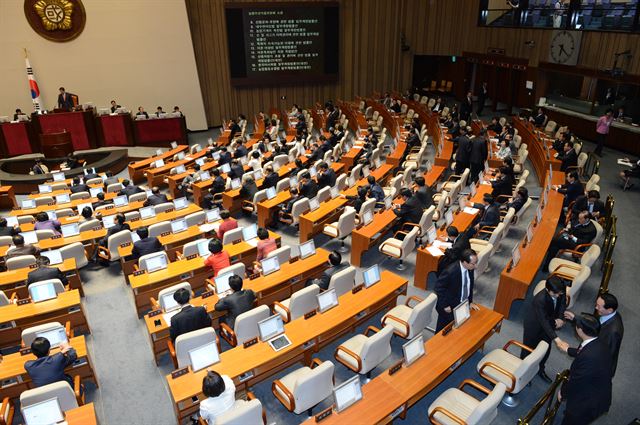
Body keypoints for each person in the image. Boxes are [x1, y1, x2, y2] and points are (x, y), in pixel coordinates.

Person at [557, 313, 612, 425]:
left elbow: (577, 380)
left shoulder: (589, 357)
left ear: (580, 330)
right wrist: (568, 349)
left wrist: (562, 392)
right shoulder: (599, 341)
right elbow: (583, 352)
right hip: (597, 389)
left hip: (586, 403)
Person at [562, 293, 623, 377]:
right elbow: (593, 324)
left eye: (599, 306)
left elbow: (598, 355)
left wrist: (568, 350)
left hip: (596, 368)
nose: (596, 308)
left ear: (609, 310)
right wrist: (576, 318)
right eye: (596, 304)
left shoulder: (613, 333)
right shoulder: (608, 314)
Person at [521, 276, 566, 383]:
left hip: (549, 322)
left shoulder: (560, 291)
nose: (557, 296)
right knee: (528, 351)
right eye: (554, 294)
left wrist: (560, 317)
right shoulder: (539, 300)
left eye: (559, 293)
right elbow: (543, 321)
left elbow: (562, 304)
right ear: (547, 289)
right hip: (534, 326)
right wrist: (557, 339)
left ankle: (540, 369)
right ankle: (524, 374)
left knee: (545, 349)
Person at [434, 249, 477, 331]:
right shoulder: (450, 271)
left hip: (462, 304)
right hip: (449, 307)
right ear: (464, 262)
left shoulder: (470, 269)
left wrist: (470, 302)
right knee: (443, 331)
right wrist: (445, 305)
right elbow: (438, 287)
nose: (475, 266)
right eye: (473, 264)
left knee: (459, 329)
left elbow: (469, 286)